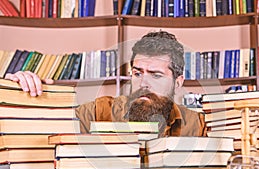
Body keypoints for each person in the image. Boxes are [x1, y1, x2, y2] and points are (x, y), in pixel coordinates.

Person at [4, 30, 207, 137]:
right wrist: (22, 94)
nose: (143, 83)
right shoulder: (97, 112)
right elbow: (42, 128)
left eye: (155, 75)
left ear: (178, 82)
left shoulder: (197, 125)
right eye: (137, 73)